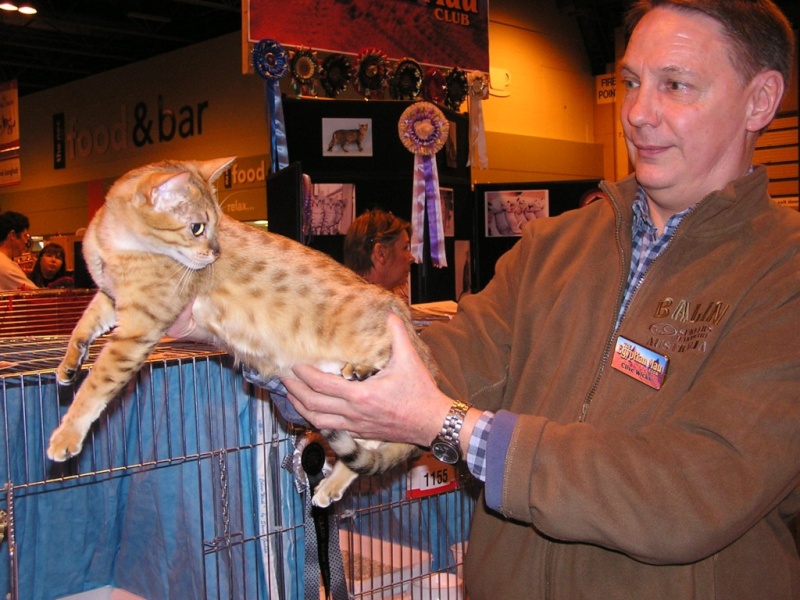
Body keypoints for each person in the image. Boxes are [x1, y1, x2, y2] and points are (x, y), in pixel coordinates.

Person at [281, 1, 800, 598]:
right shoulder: (553, 246)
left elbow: (691, 490)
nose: (637, 113)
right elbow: (447, 361)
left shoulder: (781, 274)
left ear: (759, 100)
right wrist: (280, 339)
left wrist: (453, 427)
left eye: (676, 86)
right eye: (632, 82)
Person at [343, 209, 414, 299]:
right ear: (381, 253)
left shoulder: (347, 303)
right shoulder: (372, 310)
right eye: (405, 248)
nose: (412, 258)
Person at [0, 211, 38, 290]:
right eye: (24, 236)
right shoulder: (5, 265)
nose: (25, 241)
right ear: (13, 235)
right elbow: (35, 294)